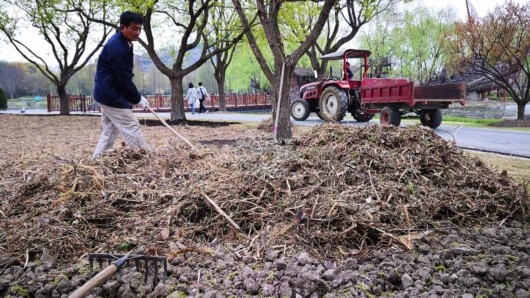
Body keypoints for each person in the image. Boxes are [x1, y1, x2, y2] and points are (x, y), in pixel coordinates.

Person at [92, 11, 151, 159]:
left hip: (106, 93)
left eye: (139, 29)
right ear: (123, 27)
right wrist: (137, 98)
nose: (138, 32)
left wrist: (135, 97)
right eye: (134, 29)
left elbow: (123, 77)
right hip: (112, 95)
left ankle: (96, 161)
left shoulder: (123, 42)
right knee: (132, 127)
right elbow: (123, 79)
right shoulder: (117, 47)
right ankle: (148, 159)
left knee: (110, 131)